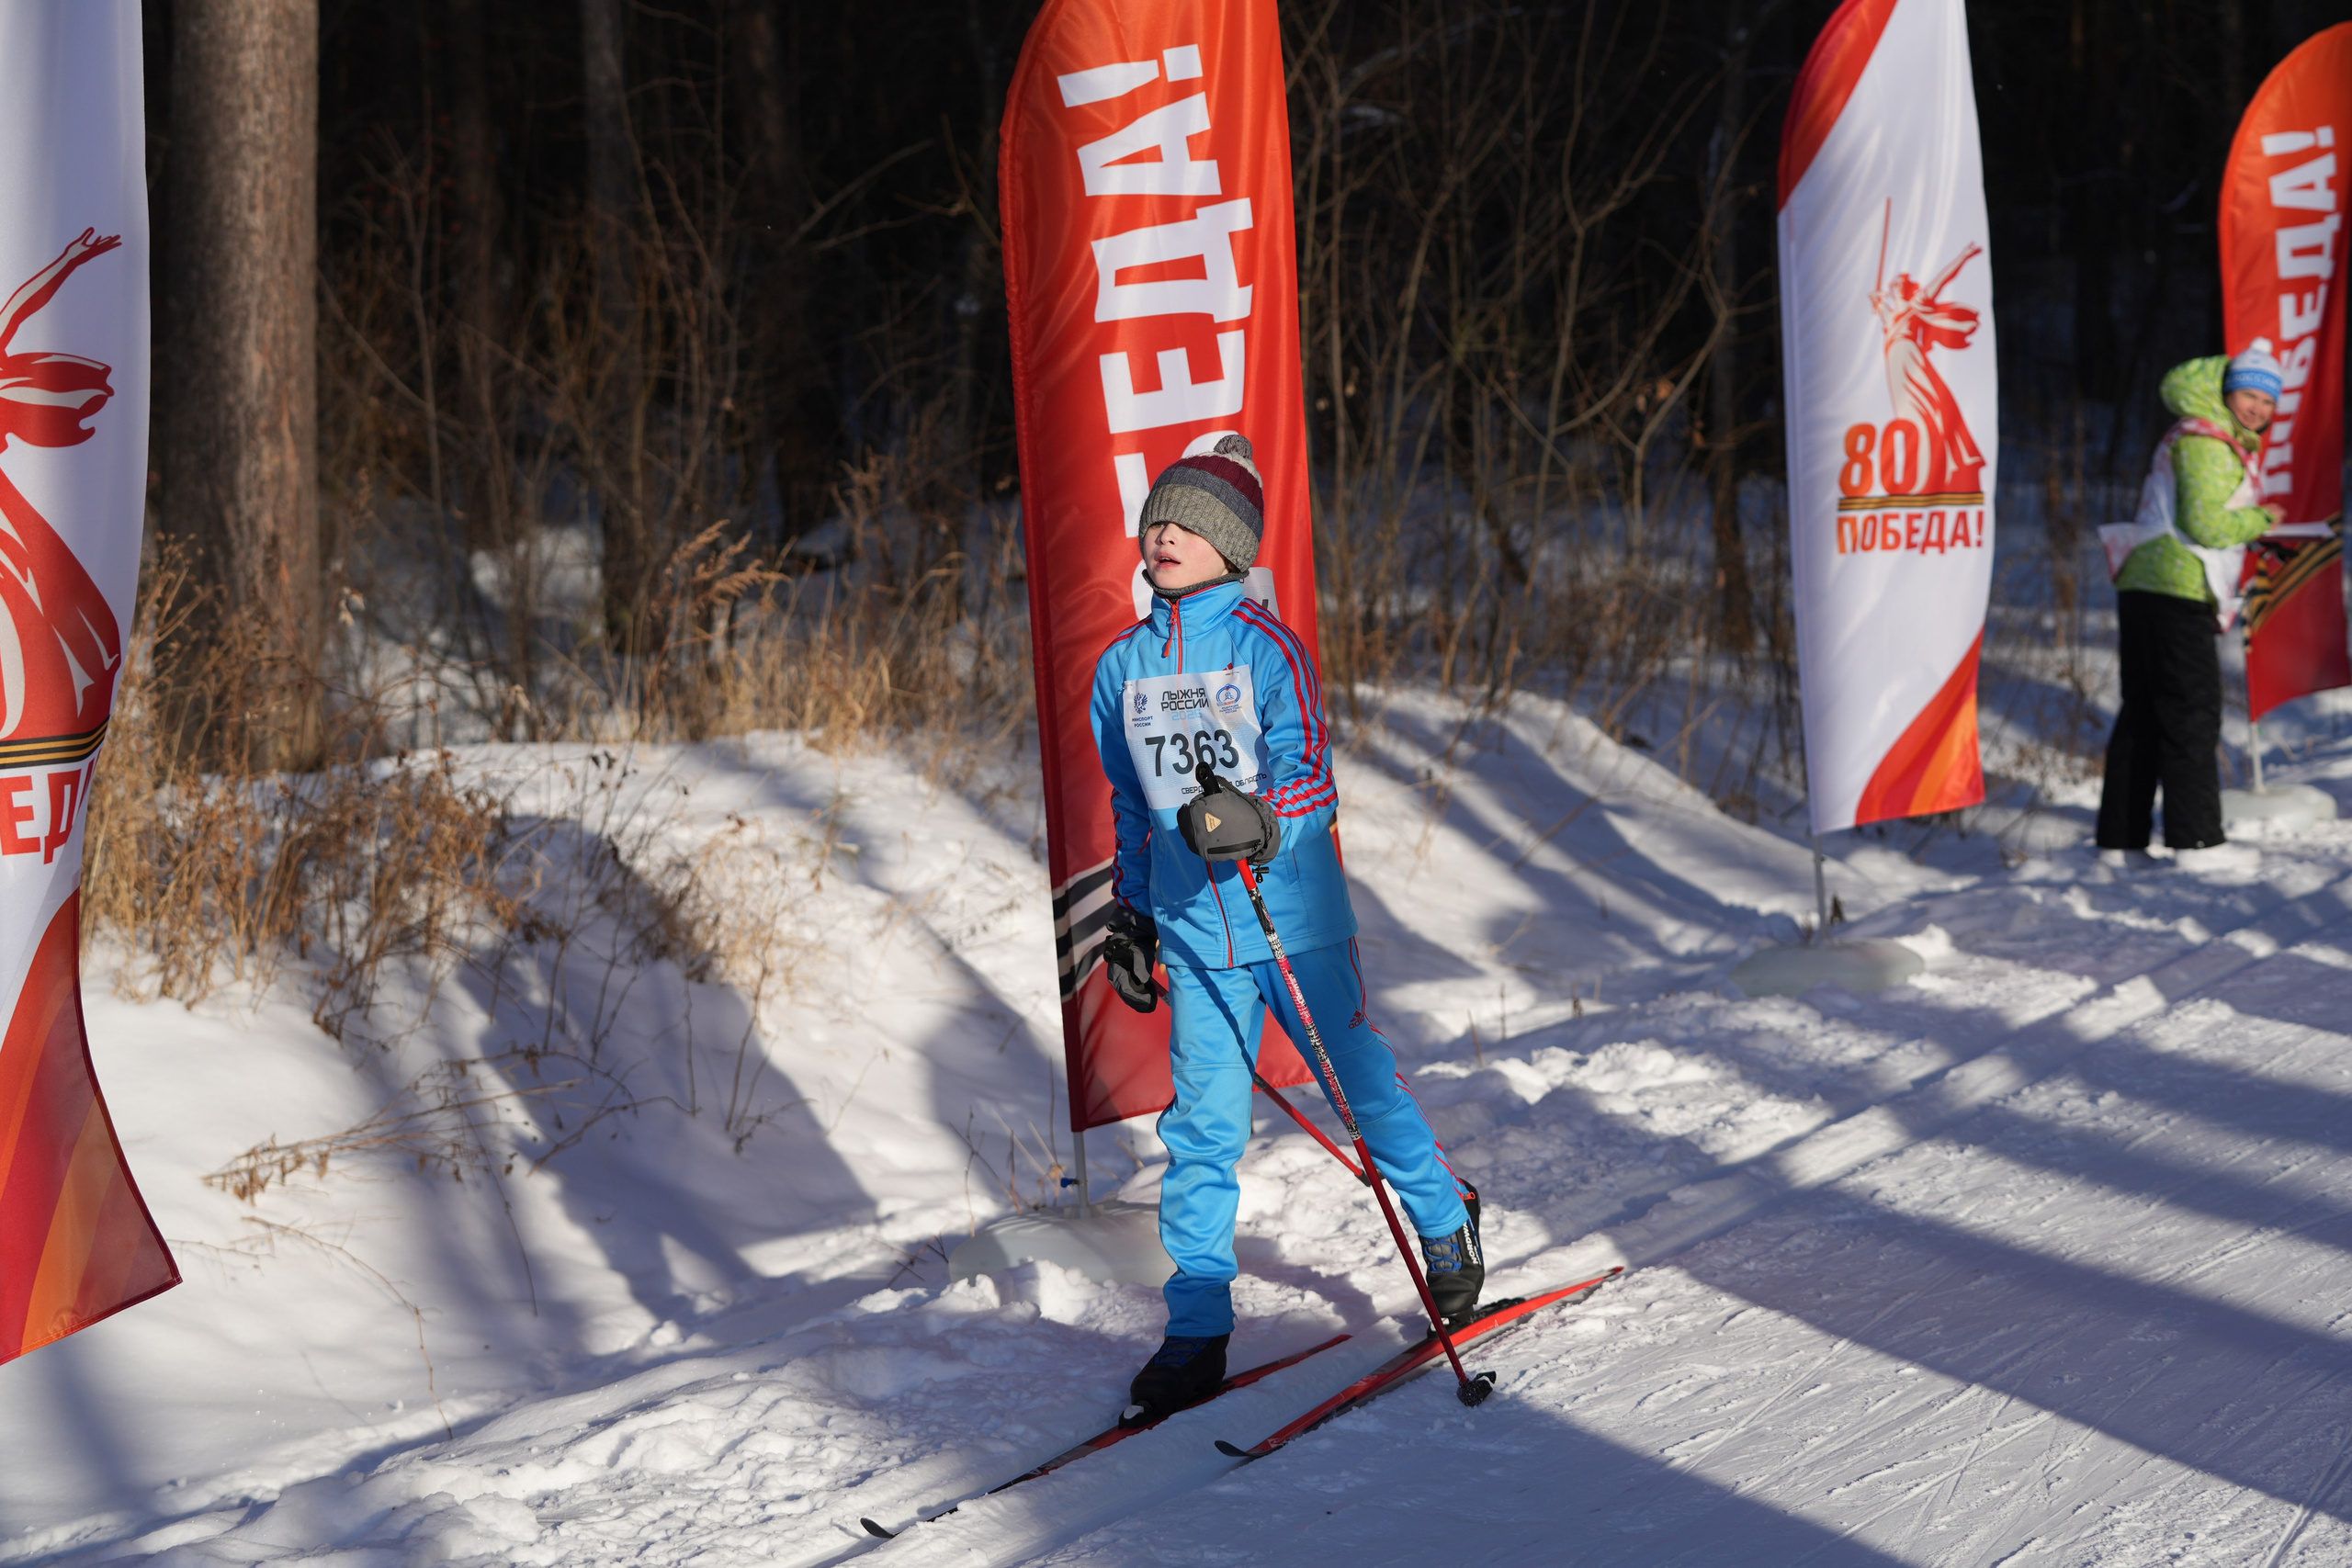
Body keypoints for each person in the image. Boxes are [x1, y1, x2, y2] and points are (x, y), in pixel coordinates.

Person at [1088, 434, 1480, 1420]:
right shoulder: (1119, 669)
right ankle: (1195, 1328)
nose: (1165, 533)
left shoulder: (1267, 646)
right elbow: (1129, 809)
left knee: (1359, 1084)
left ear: (1232, 547)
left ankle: (1442, 1218)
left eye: (1189, 524)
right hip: (1189, 925)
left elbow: (1310, 772)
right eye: (1156, 521)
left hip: (1288, 915)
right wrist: (1130, 918)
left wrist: (1263, 819)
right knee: (1202, 1129)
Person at [2095, 342, 2283, 863]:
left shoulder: (2204, 434)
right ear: (2225, 392)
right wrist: (2263, 518)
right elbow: (2206, 524)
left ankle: (2121, 840)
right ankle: (2196, 840)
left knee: (2146, 711)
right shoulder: (2206, 439)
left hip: (2149, 583)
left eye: (2268, 401)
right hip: (2176, 586)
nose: (2259, 409)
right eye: (2250, 395)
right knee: (2191, 712)